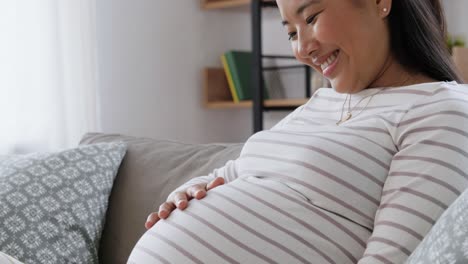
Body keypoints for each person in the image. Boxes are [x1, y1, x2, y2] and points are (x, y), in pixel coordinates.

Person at [128, 0, 468, 263]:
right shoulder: (319, 104)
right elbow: (232, 172)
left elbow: (393, 256)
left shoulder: (442, 111)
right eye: (291, 32)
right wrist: (189, 192)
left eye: (311, 18)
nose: (302, 48)